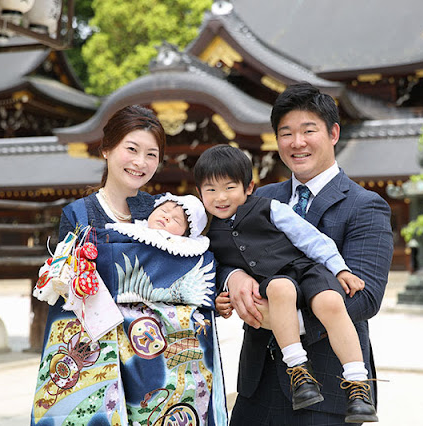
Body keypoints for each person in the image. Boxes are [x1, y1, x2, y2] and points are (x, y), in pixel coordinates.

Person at [31, 105, 228, 426]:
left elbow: (194, 264)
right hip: (98, 354)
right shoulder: (79, 214)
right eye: (132, 149)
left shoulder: (163, 212)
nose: (141, 162)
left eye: (151, 154)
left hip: (155, 360)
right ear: (107, 149)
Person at [222, 82, 394, 425]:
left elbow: (366, 297)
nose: (296, 143)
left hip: (329, 388)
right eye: (286, 133)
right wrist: (234, 275)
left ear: (333, 133)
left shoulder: (365, 206)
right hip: (256, 384)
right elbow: (223, 248)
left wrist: (286, 322)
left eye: (308, 130)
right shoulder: (260, 198)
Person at [194, 145, 377, 422]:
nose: (220, 197)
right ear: (199, 193)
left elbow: (310, 238)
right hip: (274, 281)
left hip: (306, 270)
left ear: (249, 187)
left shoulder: (269, 207)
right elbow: (214, 267)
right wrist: (225, 289)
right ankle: (299, 371)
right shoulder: (205, 230)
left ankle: (358, 384)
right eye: (210, 190)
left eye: (229, 187)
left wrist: (340, 270)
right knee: (281, 289)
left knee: (331, 302)